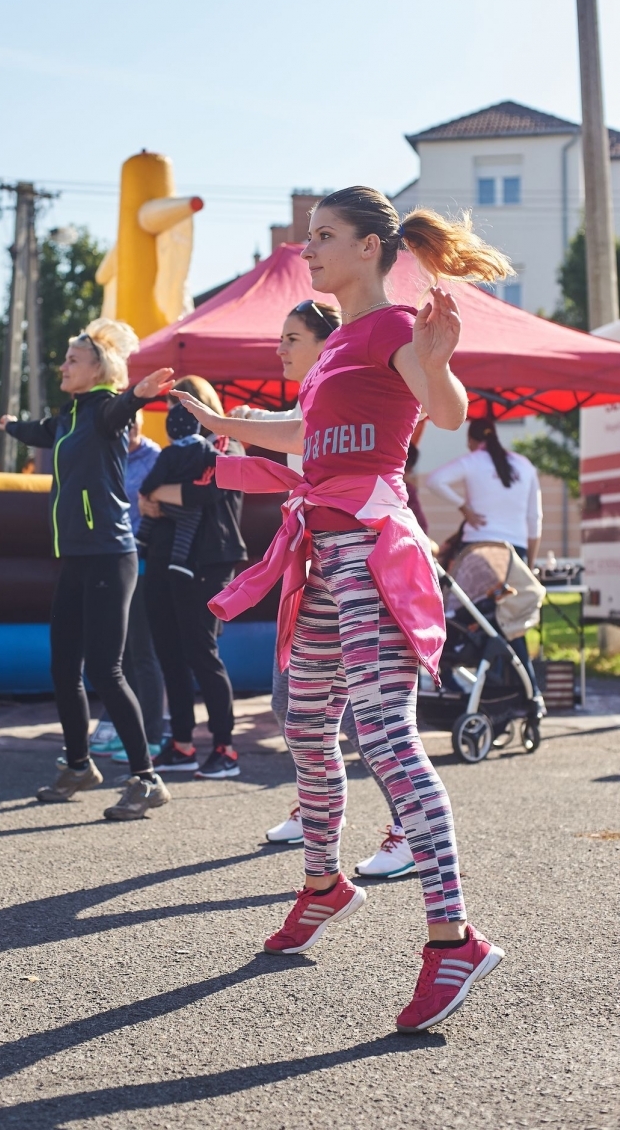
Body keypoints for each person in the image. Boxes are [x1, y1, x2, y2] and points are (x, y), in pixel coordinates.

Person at [176, 187, 509, 1032]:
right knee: (305, 724)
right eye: (308, 236)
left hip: (372, 552)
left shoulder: (395, 327)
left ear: (370, 247)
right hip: (323, 555)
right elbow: (304, 435)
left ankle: (454, 938)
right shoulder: (335, 350)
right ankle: (324, 883)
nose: (308, 249)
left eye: (323, 236)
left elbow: (446, 411)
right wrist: (221, 421)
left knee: (387, 737)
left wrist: (437, 361)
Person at [233, 300, 415, 879]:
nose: (280, 349)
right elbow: (291, 428)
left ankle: (410, 833)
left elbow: (434, 413)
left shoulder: (354, 388)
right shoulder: (310, 403)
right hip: (314, 568)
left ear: (327, 344)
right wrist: (228, 424)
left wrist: (235, 425)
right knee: (294, 708)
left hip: (365, 560)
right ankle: (317, 829)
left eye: (292, 337)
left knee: (374, 724)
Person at [0, 318, 175, 822]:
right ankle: (78, 766)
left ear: (98, 369)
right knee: (63, 667)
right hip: (76, 558)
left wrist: (137, 395)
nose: (64, 366)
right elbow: (39, 431)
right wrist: (11, 426)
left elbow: (120, 408)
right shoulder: (68, 417)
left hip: (109, 555)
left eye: (73, 360)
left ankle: (146, 779)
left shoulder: (102, 411)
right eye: (65, 359)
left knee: (105, 669)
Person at [139, 375, 247, 780]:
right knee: (169, 653)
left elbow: (206, 491)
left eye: (183, 410)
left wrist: (156, 494)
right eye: (172, 412)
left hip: (208, 562)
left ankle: (225, 747)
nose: (176, 421)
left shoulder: (227, 444)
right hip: (164, 560)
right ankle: (182, 743)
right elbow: (151, 495)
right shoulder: (174, 453)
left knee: (202, 653)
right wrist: (153, 496)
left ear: (203, 408)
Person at [426, 417, 544, 706]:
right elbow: (535, 520)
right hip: (514, 555)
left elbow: (434, 480)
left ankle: (467, 681)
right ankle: (527, 691)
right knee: (509, 623)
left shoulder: (473, 461)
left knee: (471, 619)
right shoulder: (525, 465)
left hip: (478, 553)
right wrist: (528, 565)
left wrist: (464, 508)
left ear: (471, 440)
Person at [90, 411, 170, 762]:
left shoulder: (156, 458)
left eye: (133, 419)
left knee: (143, 652)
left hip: (143, 562)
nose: (129, 427)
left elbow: (162, 508)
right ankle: (128, 732)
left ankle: (152, 736)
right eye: (124, 421)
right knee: (118, 653)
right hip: (111, 561)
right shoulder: (109, 455)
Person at [136, 403, 219, 579]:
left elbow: (155, 477)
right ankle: (178, 561)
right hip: (188, 507)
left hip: (166, 504)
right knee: (187, 529)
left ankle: (142, 536)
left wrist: (144, 492)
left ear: (169, 431)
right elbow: (220, 461)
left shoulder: (168, 453)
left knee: (153, 505)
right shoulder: (203, 447)